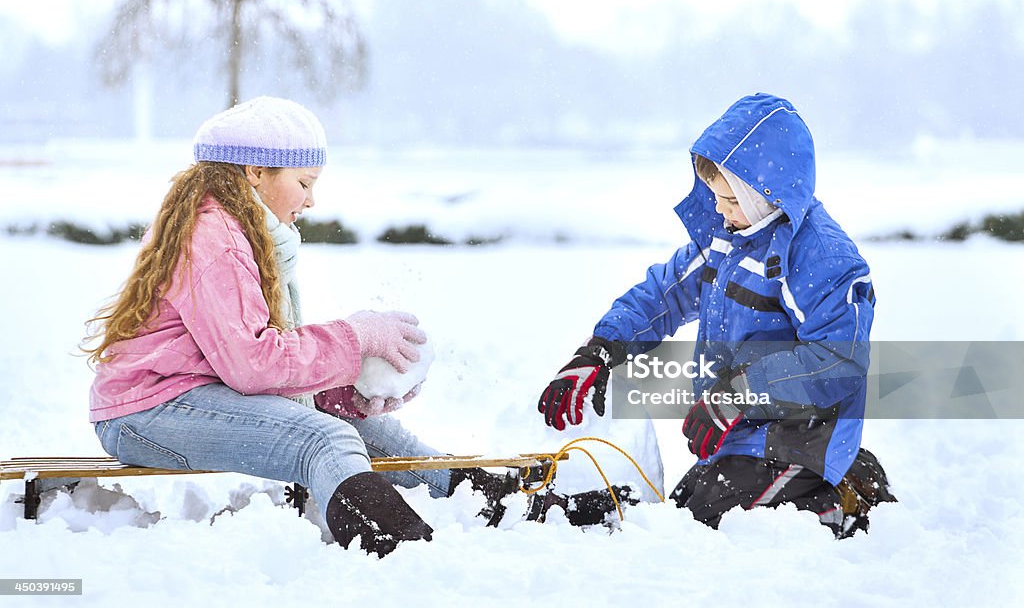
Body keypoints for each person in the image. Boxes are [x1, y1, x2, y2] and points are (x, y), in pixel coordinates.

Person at [84, 97, 617, 558]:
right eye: (304, 183)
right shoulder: (216, 240)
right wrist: (356, 338)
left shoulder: (235, 230)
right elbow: (251, 362)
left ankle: (488, 500)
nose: (312, 200)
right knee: (323, 439)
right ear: (254, 173)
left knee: (372, 434)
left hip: (194, 395)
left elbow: (248, 355)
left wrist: (342, 389)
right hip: (148, 411)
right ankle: (407, 552)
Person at [537, 93, 895, 538]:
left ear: (767, 194)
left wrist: (739, 392)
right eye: (714, 197)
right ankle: (831, 478)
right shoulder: (727, 238)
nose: (721, 212)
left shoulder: (821, 258)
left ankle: (833, 501)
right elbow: (661, 296)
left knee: (703, 528)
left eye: (730, 198)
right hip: (739, 429)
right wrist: (600, 351)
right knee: (685, 508)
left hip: (799, 435)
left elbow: (839, 359)